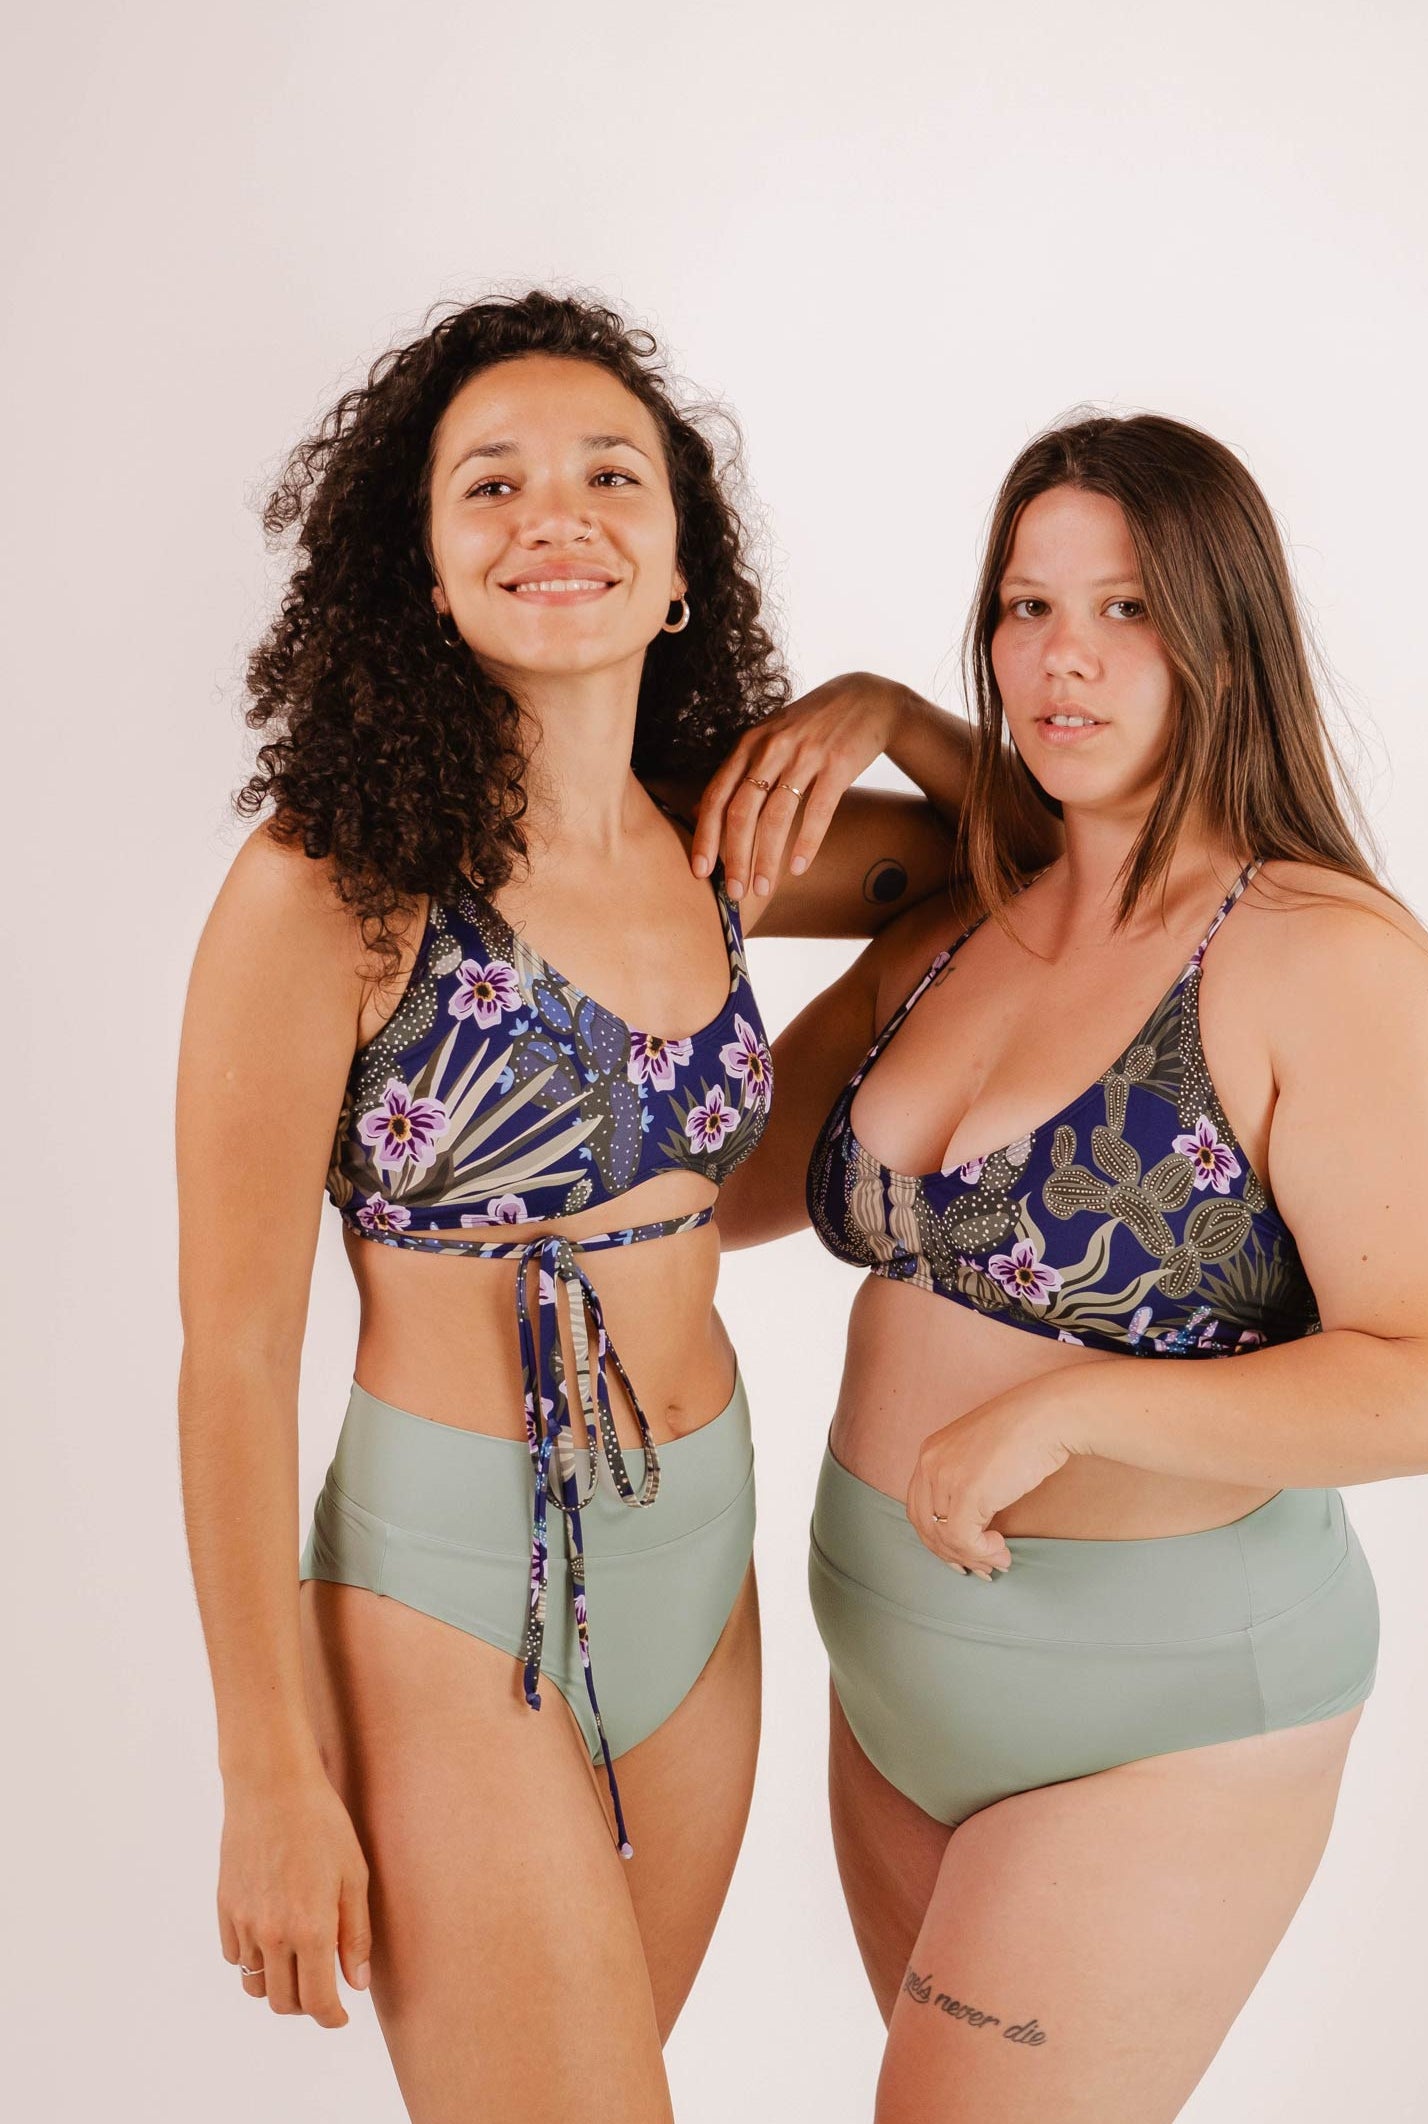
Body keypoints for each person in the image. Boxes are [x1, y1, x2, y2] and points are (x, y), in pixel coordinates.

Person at [175, 288, 972, 2122]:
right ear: (425, 570)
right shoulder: (330, 895)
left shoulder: (727, 850)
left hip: (699, 1565)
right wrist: (272, 1771)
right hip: (450, 1588)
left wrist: (900, 713)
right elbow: (230, 1360)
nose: (559, 515)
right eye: (493, 485)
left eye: (614, 474)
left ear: (679, 559)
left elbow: (1046, 863)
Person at [718, 412, 1428, 2123]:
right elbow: (721, 1191)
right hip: (892, 1680)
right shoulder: (956, 915)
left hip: (1162, 1717)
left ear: (1223, 632)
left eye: (1128, 608)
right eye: (1024, 607)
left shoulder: (1321, 957)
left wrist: (1071, 1407)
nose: (1062, 656)